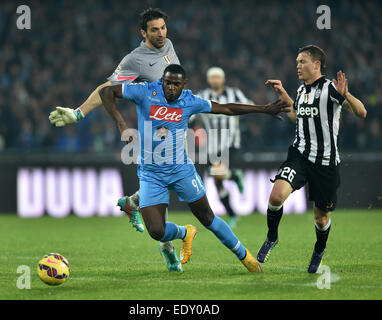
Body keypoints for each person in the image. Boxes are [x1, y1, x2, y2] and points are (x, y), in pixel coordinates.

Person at [49, 64, 289, 272]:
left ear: (183, 84)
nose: (171, 88)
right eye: (167, 83)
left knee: (208, 217)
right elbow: (107, 92)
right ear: (161, 81)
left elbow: (226, 108)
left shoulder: (190, 100)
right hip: (151, 174)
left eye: (176, 84)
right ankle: (185, 232)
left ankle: (245, 257)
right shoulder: (145, 91)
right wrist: (122, 124)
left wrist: (263, 109)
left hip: (181, 171)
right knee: (156, 231)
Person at [50, 7, 178, 239]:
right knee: (170, 179)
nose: (160, 34)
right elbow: (107, 89)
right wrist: (78, 113)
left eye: (163, 28)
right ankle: (161, 236)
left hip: (174, 125)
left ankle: (133, 203)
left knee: (167, 180)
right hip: (155, 131)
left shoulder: (168, 45)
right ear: (143, 33)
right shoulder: (134, 60)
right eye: (154, 30)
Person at [256, 45, 367, 273]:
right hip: (299, 156)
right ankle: (272, 237)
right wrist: (282, 95)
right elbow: (297, 116)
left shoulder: (330, 89)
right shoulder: (300, 90)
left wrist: (346, 94)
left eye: (302, 61)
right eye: (297, 61)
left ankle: (318, 250)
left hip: (325, 163)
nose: (298, 65)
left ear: (316, 65)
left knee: (321, 217)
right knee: (276, 196)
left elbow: (361, 112)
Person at [193, 66, 254, 228]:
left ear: (223, 79)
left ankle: (234, 176)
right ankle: (232, 212)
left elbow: (248, 105)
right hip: (211, 146)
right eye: (212, 77)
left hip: (231, 142)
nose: (215, 80)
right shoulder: (202, 96)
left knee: (217, 173)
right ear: (208, 80)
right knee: (217, 182)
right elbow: (190, 112)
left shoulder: (234, 93)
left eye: (217, 77)